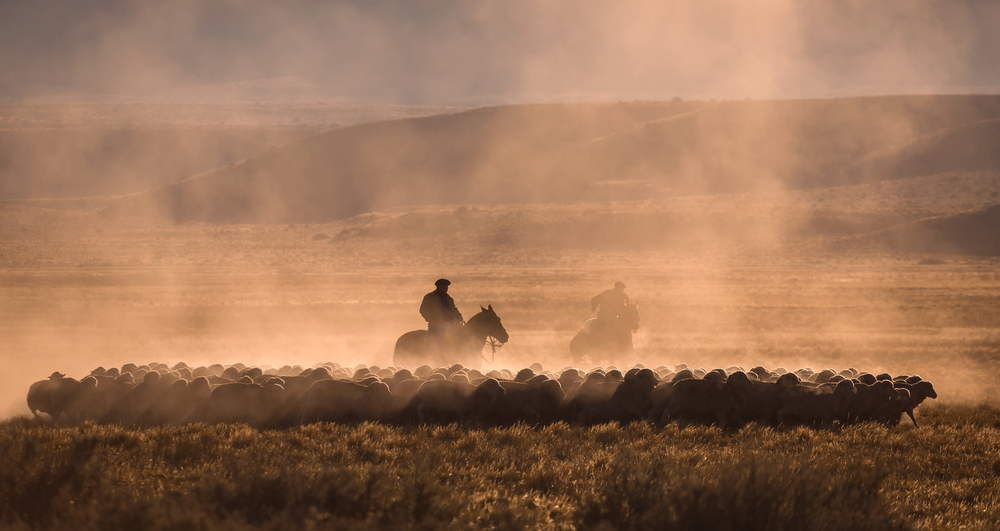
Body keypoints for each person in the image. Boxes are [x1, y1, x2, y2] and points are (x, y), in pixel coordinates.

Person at [420, 279, 464, 351]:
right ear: (438, 287)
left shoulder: (449, 298)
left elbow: (454, 309)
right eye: (444, 286)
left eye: (447, 286)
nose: (446, 288)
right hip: (437, 325)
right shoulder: (430, 297)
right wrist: (432, 320)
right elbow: (423, 310)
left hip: (450, 324)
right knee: (433, 341)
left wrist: (460, 317)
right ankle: (434, 355)